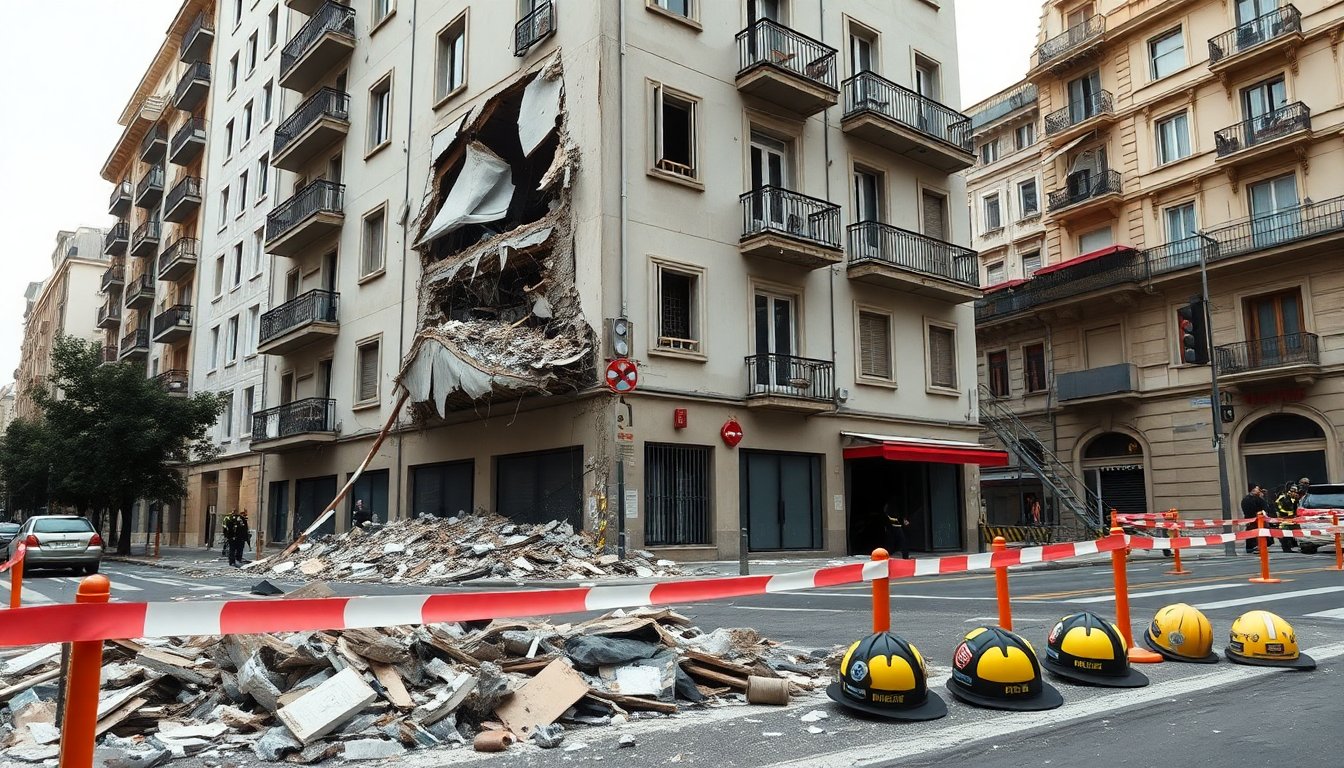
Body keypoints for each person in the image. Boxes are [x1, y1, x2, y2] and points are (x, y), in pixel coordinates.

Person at [1241, 483, 1271, 554]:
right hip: (1253, 520)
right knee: (1253, 533)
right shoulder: (1247, 499)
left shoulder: (1258, 498)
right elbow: (1251, 509)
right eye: (1257, 488)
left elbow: (1266, 506)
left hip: (1258, 520)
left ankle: (1259, 546)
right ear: (1253, 489)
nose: (1259, 490)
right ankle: (1253, 547)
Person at [1273, 484, 1301, 553]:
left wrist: (1296, 501)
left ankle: (1293, 545)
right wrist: (1288, 514)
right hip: (1283, 519)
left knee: (1293, 533)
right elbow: (1279, 507)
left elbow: (1295, 508)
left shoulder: (1294, 499)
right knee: (1285, 534)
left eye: (1296, 491)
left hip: (1292, 519)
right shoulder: (1282, 498)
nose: (1294, 493)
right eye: (1293, 491)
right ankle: (1286, 548)